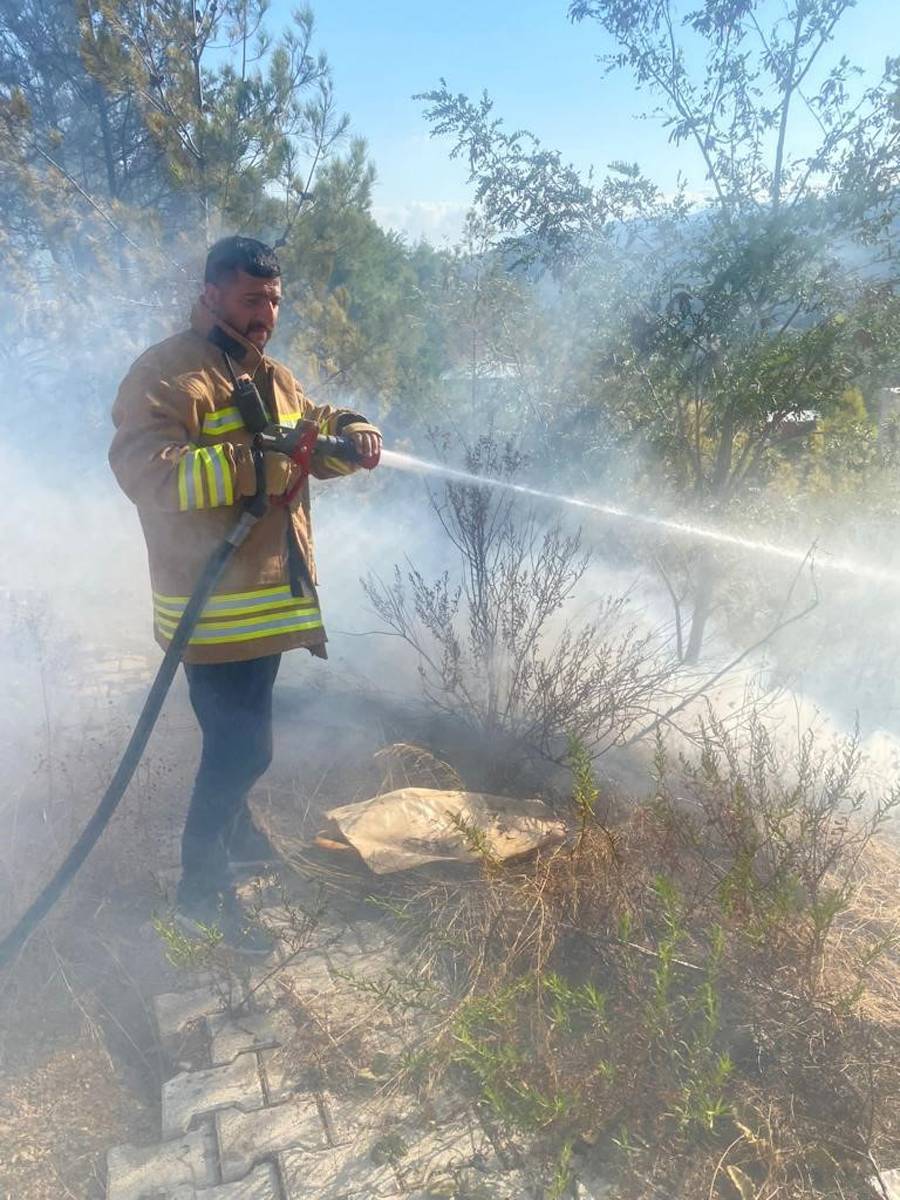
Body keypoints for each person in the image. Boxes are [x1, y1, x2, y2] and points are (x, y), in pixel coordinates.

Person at [109, 236, 381, 953]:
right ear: (210, 295)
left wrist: (351, 432)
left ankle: (244, 838)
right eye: (252, 300)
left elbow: (309, 428)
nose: (266, 314)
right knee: (242, 754)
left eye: (274, 302)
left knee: (235, 744)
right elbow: (144, 471)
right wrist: (249, 465)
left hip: (261, 609)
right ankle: (200, 896)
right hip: (212, 611)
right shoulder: (169, 374)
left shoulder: (271, 375)